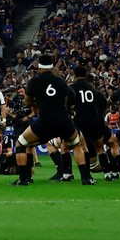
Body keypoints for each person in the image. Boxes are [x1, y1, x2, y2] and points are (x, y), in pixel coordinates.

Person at [11, 55, 93, 187]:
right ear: (52, 65)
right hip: (63, 121)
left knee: (21, 143)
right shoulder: (61, 81)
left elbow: (27, 101)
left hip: (45, 122)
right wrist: (69, 110)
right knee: (76, 145)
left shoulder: (34, 81)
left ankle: (24, 179)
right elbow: (72, 97)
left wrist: (36, 105)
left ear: (39, 66)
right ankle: (85, 178)